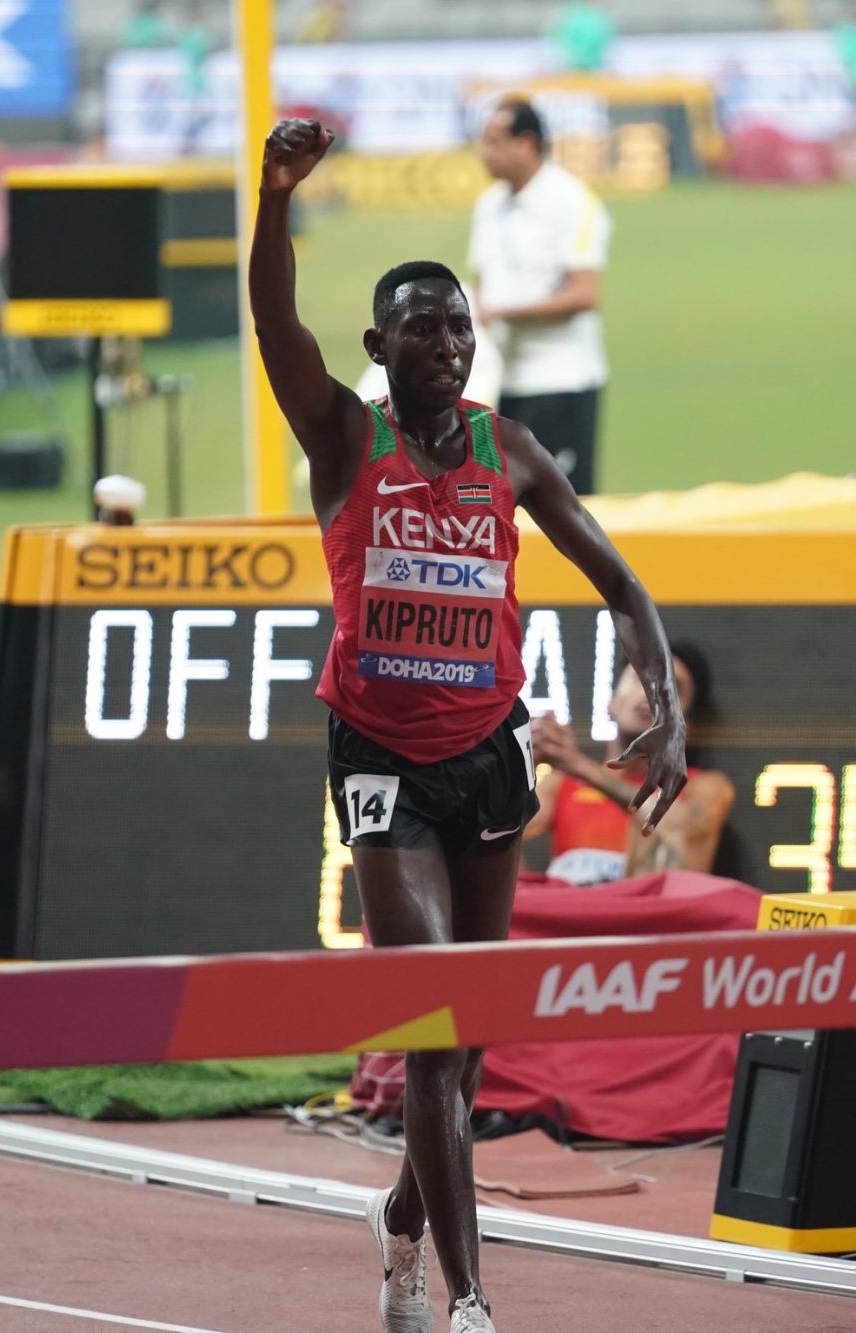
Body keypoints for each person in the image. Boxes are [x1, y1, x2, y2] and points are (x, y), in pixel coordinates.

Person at [250, 118, 688, 1333]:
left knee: (471, 1039)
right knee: (435, 1025)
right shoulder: (345, 436)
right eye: (419, 328)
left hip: (487, 756)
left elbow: (627, 588)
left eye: (458, 325)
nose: (444, 343)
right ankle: (471, 1299)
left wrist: (666, 707)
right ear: (376, 347)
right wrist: (275, 198)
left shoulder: (513, 450)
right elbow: (272, 326)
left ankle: (400, 1214)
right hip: (380, 756)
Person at [469, 99, 612, 495]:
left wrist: (503, 312)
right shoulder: (488, 206)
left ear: (527, 144)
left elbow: (584, 294)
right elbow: (482, 283)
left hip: (561, 382)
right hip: (502, 385)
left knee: (566, 512)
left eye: (494, 141)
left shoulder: (572, 202)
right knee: (507, 511)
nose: (485, 153)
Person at [524, 643, 735, 884]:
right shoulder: (560, 784)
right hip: (567, 915)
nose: (652, 693)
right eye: (640, 679)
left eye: (673, 688)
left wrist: (578, 765)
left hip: (647, 916)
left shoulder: (705, 787)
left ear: (685, 727)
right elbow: (490, 837)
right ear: (612, 702)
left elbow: (681, 831)